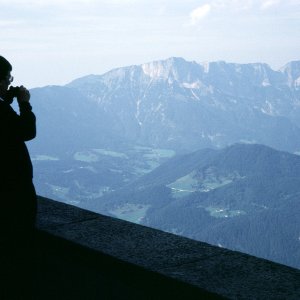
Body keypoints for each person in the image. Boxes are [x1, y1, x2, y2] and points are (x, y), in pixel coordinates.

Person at [0, 55, 37, 298]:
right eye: (7, 78)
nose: (9, 83)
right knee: (16, 250)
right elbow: (26, 131)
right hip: (12, 192)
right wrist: (24, 103)